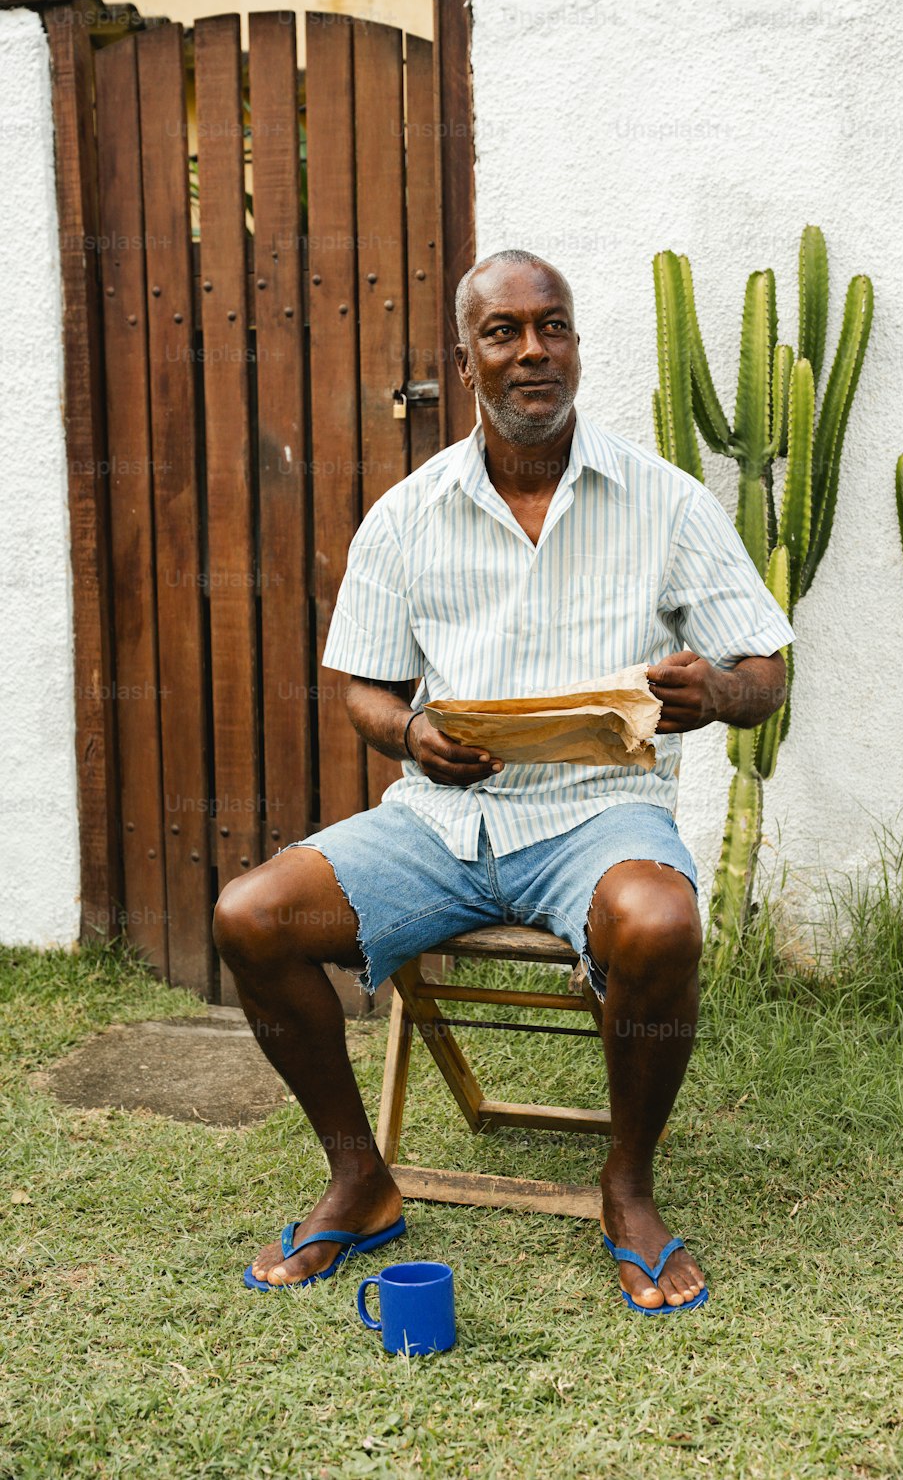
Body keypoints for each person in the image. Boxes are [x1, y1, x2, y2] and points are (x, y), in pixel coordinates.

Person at [213, 248, 794, 1313]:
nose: (534, 350)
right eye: (504, 332)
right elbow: (366, 693)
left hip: (601, 816)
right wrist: (413, 733)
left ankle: (626, 1188)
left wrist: (710, 691)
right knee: (250, 914)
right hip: (443, 817)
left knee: (658, 923)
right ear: (467, 357)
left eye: (553, 326)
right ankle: (360, 1178)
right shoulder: (409, 512)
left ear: (574, 342)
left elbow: (766, 670)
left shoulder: (664, 504)